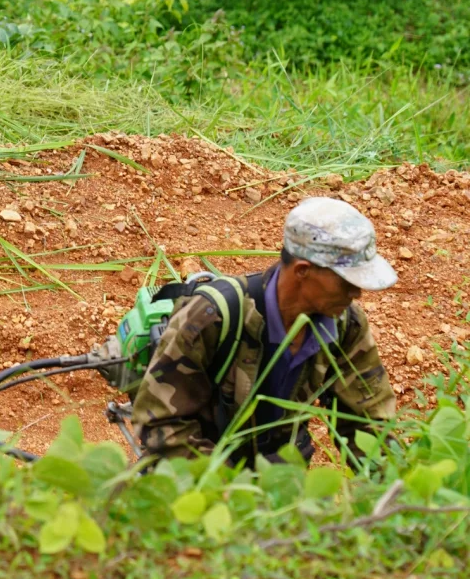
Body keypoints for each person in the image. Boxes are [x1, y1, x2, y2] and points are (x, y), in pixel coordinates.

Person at [131, 197, 397, 465]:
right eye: (346, 282)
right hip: (200, 473)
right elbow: (160, 423)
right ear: (303, 271)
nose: (357, 293)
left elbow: (369, 423)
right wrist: (230, 489)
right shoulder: (212, 316)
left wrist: (393, 490)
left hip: (278, 475)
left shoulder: (345, 324)